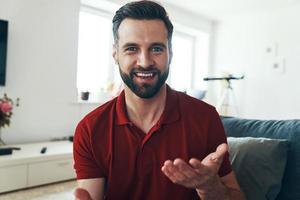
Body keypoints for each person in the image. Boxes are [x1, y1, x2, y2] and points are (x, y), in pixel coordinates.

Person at [73, 1, 245, 199]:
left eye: (156, 49)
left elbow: (236, 196)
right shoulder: (90, 128)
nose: (145, 62)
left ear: (170, 53)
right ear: (115, 54)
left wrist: (210, 186)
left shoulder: (205, 117)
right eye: (131, 48)